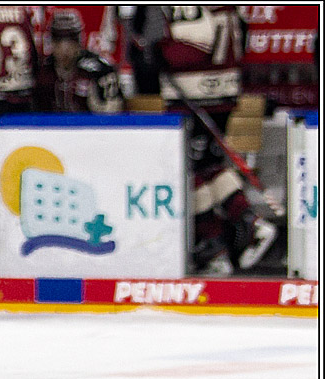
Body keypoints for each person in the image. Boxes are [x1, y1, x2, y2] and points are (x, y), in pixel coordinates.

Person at [130, 5, 276, 275]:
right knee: (207, 167)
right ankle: (247, 223)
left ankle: (215, 244)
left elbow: (192, 46)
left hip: (196, 94)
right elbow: (241, 33)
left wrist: (156, 53)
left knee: (185, 170)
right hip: (220, 90)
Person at [34, 10, 123, 113]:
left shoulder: (99, 71)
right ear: (51, 42)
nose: (65, 48)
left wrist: (100, 110)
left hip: (90, 126)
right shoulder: (43, 72)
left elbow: (115, 110)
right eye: (59, 40)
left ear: (80, 41)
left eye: (71, 40)